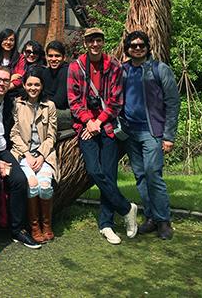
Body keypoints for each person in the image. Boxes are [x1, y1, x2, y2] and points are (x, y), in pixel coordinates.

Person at [67, 27, 138, 245]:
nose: (95, 44)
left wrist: (98, 121)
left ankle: (106, 224)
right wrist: (89, 120)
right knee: (94, 170)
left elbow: (117, 100)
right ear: (86, 43)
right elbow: (74, 100)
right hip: (86, 127)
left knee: (109, 172)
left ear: (103, 42)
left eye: (98, 40)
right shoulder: (76, 66)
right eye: (91, 41)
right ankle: (127, 209)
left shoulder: (114, 66)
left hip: (107, 126)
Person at [121, 31, 180, 240]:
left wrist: (169, 135)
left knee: (153, 174)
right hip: (129, 133)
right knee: (140, 176)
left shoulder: (159, 69)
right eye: (133, 45)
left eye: (141, 45)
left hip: (152, 132)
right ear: (127, 48)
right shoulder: (123, 71)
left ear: (147, 46)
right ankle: (151, 218)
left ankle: (164, 220)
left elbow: (173, 103)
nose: (137, 48)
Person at [0, 66, 41, 250]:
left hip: (3, 150)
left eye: (6, 80)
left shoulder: (9, 102)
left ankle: (17, 229)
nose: (1, 83)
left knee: (19, 181)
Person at [10, 67, 60, 244]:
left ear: (42, 85)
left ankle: (46, 224)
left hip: (44, 155)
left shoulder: (49, 106)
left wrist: (40, 155)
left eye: (36, 84)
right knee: (32, 184)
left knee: (45, 186)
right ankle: (34, 226)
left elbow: (51, 135)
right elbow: (14, 133)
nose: (33, 88)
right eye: (29, 84)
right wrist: (27, 154)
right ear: (24, 85)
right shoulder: (17, 104)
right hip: (23, 155)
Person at [42, 40, 69, 110]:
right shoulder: (46, 72)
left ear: (64, 57)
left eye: (57, 56)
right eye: (50, 56)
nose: (53, 59)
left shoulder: (67, 71)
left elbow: (59, 101)